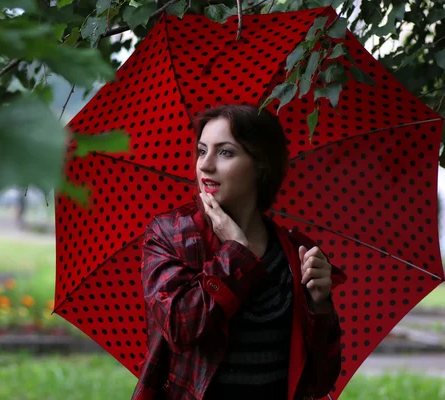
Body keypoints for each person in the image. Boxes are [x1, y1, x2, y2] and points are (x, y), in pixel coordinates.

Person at [131, 104, 347, 400]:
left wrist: (320, 306)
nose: (205, 165)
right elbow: (180, 326)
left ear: (261, 165)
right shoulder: (170, 235)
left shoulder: (296, 253)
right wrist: (235, 252)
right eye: (202, 150)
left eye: (225, 152)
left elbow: (320, 381)